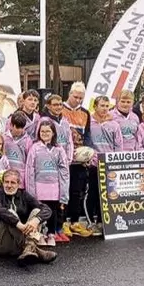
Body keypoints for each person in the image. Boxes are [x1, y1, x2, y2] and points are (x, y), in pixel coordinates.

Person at [0, 169, 57, 266]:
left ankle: (28, 248)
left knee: (37, 212)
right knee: (9, 212)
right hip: (2, 244)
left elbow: (47, 209)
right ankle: (34, 249)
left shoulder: (24, 194)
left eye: (13, 182)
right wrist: (18, 224)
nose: (9, 185)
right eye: (6, 182)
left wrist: (36, 220)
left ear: (18, 184)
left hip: (19, 241)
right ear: (2, 183)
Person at [25, 121, 69, 245]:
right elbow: (30, 169)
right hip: (39, 186)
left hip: (54, 187)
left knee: (53, 211)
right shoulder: (35, 148)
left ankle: (51, 234)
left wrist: (64, 191)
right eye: (42, 131)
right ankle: (40, 235)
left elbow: (64, 170)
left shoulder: (59, 149)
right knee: (39, 211)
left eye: (47, 131)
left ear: (53, 133)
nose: (44, 133)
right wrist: (31, 190)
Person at [61, 82, 94, 238]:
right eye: (75, 97)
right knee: (63, 192)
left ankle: (74, 221)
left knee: (77, 192)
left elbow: (87, 135)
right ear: (69, 94)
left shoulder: (85, 113)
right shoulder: (59, 110)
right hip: (63, 160)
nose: (78, 100)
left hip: (79, 160)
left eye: (81, 98)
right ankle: (62, 223)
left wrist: (88, 154)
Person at [88, 96, 124, 235]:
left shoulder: (114, 124)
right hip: (94, 163)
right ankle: (91, 221)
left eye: (107, 106)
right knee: (93, 193)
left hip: (109, 163)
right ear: (95, 106)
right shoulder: (89, 122)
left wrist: (116, 161)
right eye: (102, 105)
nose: (104, 108)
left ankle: (103, 222)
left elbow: (118, 144)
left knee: (108, 194)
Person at [40, 94, 74, 167]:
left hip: (64, 162)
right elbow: (41, 141)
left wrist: (69, 159)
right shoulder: (43, 121)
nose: (58, 107)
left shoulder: (65, 122)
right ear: (48, 106)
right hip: (49, 162)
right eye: (55, 105)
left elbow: (69, 141)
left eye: (60, 104)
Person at [3, 111, 32, 190]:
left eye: (22, 127)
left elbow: (29, 162)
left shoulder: (27, 141)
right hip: (6, 179)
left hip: (20, 180)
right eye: (17, 127)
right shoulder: (4, 138)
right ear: (11, 125)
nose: (20, 130)